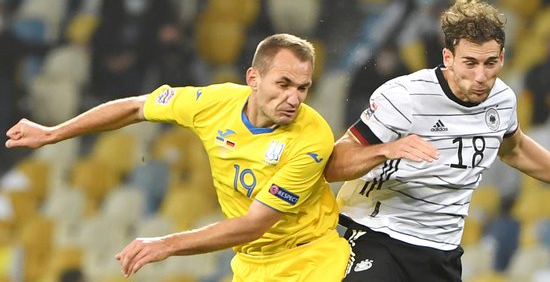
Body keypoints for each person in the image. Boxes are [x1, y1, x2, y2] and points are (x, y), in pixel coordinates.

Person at [324, 0, 550, 282]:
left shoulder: (503, 99)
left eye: (490, 63)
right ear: (448, 57)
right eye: (470, 63)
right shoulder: (405, 96)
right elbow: (335, 165)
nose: (481, 76)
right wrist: (387, 149)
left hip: (442, 251)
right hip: (378, 236)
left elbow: (516, 149)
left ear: (502, 58)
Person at [5, 33, 350, 281]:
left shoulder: (312, 136)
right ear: (253, 79)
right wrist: (53, 133)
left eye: (302, 88)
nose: (294, 98)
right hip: (251, 266)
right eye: (284, 83)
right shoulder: (213, 103)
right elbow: (137, 107)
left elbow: (254, 224)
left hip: (310, 260)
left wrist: (167, 244)